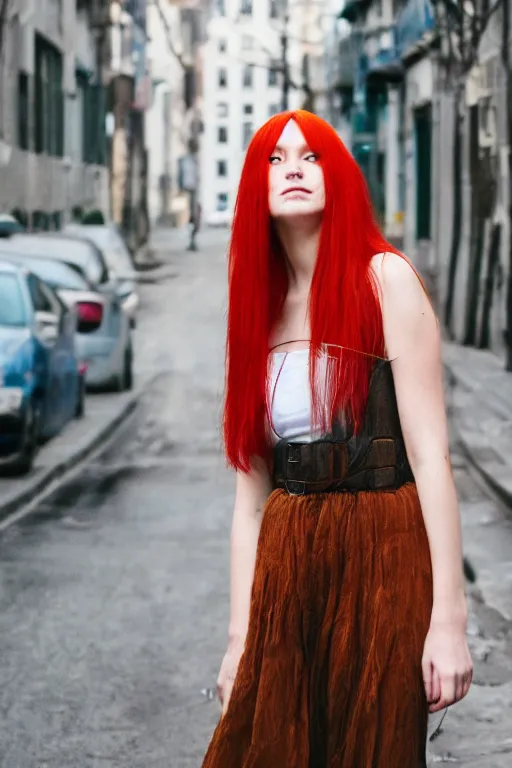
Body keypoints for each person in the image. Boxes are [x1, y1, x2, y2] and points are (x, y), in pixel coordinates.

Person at [202, 111, 472, 767]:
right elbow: (250, 499)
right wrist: (240, 637)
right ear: (254, 188)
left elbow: (432, 458)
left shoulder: (386, 280)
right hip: (289, 564)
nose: (292, 167)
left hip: (382, 546)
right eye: (275, 158)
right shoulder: (257, 306)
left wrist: (449, 623)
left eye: (311, 156)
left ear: (340, 175)